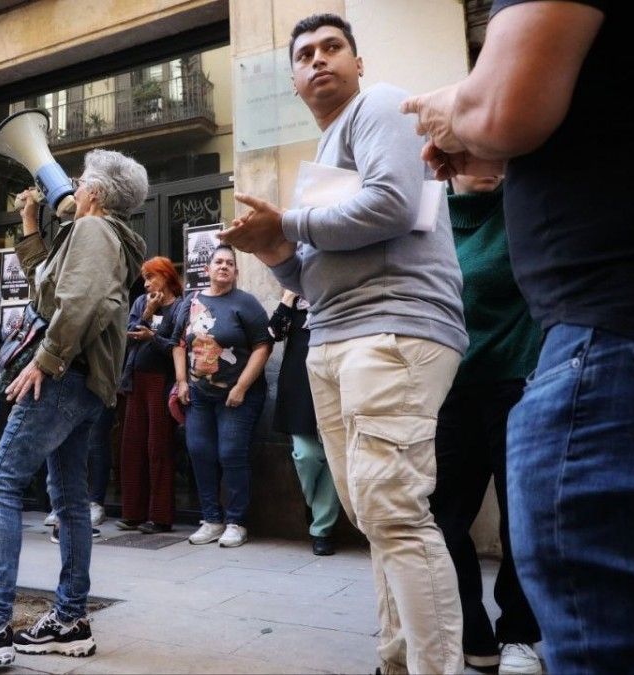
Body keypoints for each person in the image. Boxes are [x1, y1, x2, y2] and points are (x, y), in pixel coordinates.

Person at [400, 2, 634, 671]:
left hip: (625, 349)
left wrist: (452, 106)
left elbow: (508, 107)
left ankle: (515, 633)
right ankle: (477, 639)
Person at [219, 14, 468, 673]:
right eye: (305, 55)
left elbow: (390, 202)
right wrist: (273, 247)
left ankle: (433, 666)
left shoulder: (379, 106)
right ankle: (395, 656)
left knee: (394, 510)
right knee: (375, 513)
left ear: (357, 63)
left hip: (393, 328)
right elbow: (306, 276)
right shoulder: (322, 159)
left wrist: (289, 220)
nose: (319, 60)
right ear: (296, 81)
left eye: (333, 48)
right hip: (334, 336)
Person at [0, 149, 147, 664]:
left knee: (0, 482)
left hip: (64, 377)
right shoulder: (99, 236)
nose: (72, 185)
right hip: (85, 383)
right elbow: (48, 290)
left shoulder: (94, 232)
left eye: (81, 180)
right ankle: (69, 620)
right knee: (69, 501)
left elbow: (79, 304)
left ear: (95, 193)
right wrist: (30, 222)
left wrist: (45, 362)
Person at [425, 174, 541, 674]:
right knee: (441, 514)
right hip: (451, 383)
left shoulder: (524, 203)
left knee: (521, 514)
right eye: (474, 150)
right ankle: (470, 626)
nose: (490, 160)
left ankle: (518, 632)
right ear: (448, 159)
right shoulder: (429, 217)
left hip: (519, 380)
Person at [171, 246, 270, 548]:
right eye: (218, 262)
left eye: (230, 263)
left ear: (236, 272)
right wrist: (181, 381)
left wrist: (241, 386)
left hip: (237, 397)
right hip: (198, 395)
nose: (224, 267)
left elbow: (263, 346)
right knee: (199, 452)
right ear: (208, 269)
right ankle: (211, 519)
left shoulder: (246, 303)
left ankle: (236, 522)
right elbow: (178, 343)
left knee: (230, 453)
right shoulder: (191, 302)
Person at [114, 256, 183, 533]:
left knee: (158, 447)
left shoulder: (180, 305)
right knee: (132, 446)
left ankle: (161, 517)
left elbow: (177, 346)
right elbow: (126, 334)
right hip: (136, 380)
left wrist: (152, 337)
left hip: (161, 382)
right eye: (144, 277)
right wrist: (146, 314)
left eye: (151, 277)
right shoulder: (142, 303)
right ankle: (133, 512)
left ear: (165, 277)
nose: (146, 283)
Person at [268, 290, 338, 557]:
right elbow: (274, 333)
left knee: (334, 458)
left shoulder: (336, 295)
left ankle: (322, 529)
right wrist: (288, 297)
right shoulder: (295, 304)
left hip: (335, 383)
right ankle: (315, 504)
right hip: (299, 386)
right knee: (306, 454)